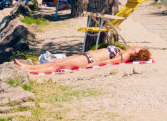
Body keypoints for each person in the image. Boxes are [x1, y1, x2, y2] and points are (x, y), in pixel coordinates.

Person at [13, 45, 151, 72]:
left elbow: (110, 61)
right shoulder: (123, 51)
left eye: (139, 46)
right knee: (56, 62)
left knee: (56, 66)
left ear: (137, 51)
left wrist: (94, 65)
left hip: (88, 60)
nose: (136, 45)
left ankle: (27, 69)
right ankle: (28, 67)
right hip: (87, 56)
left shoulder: (125, 56)